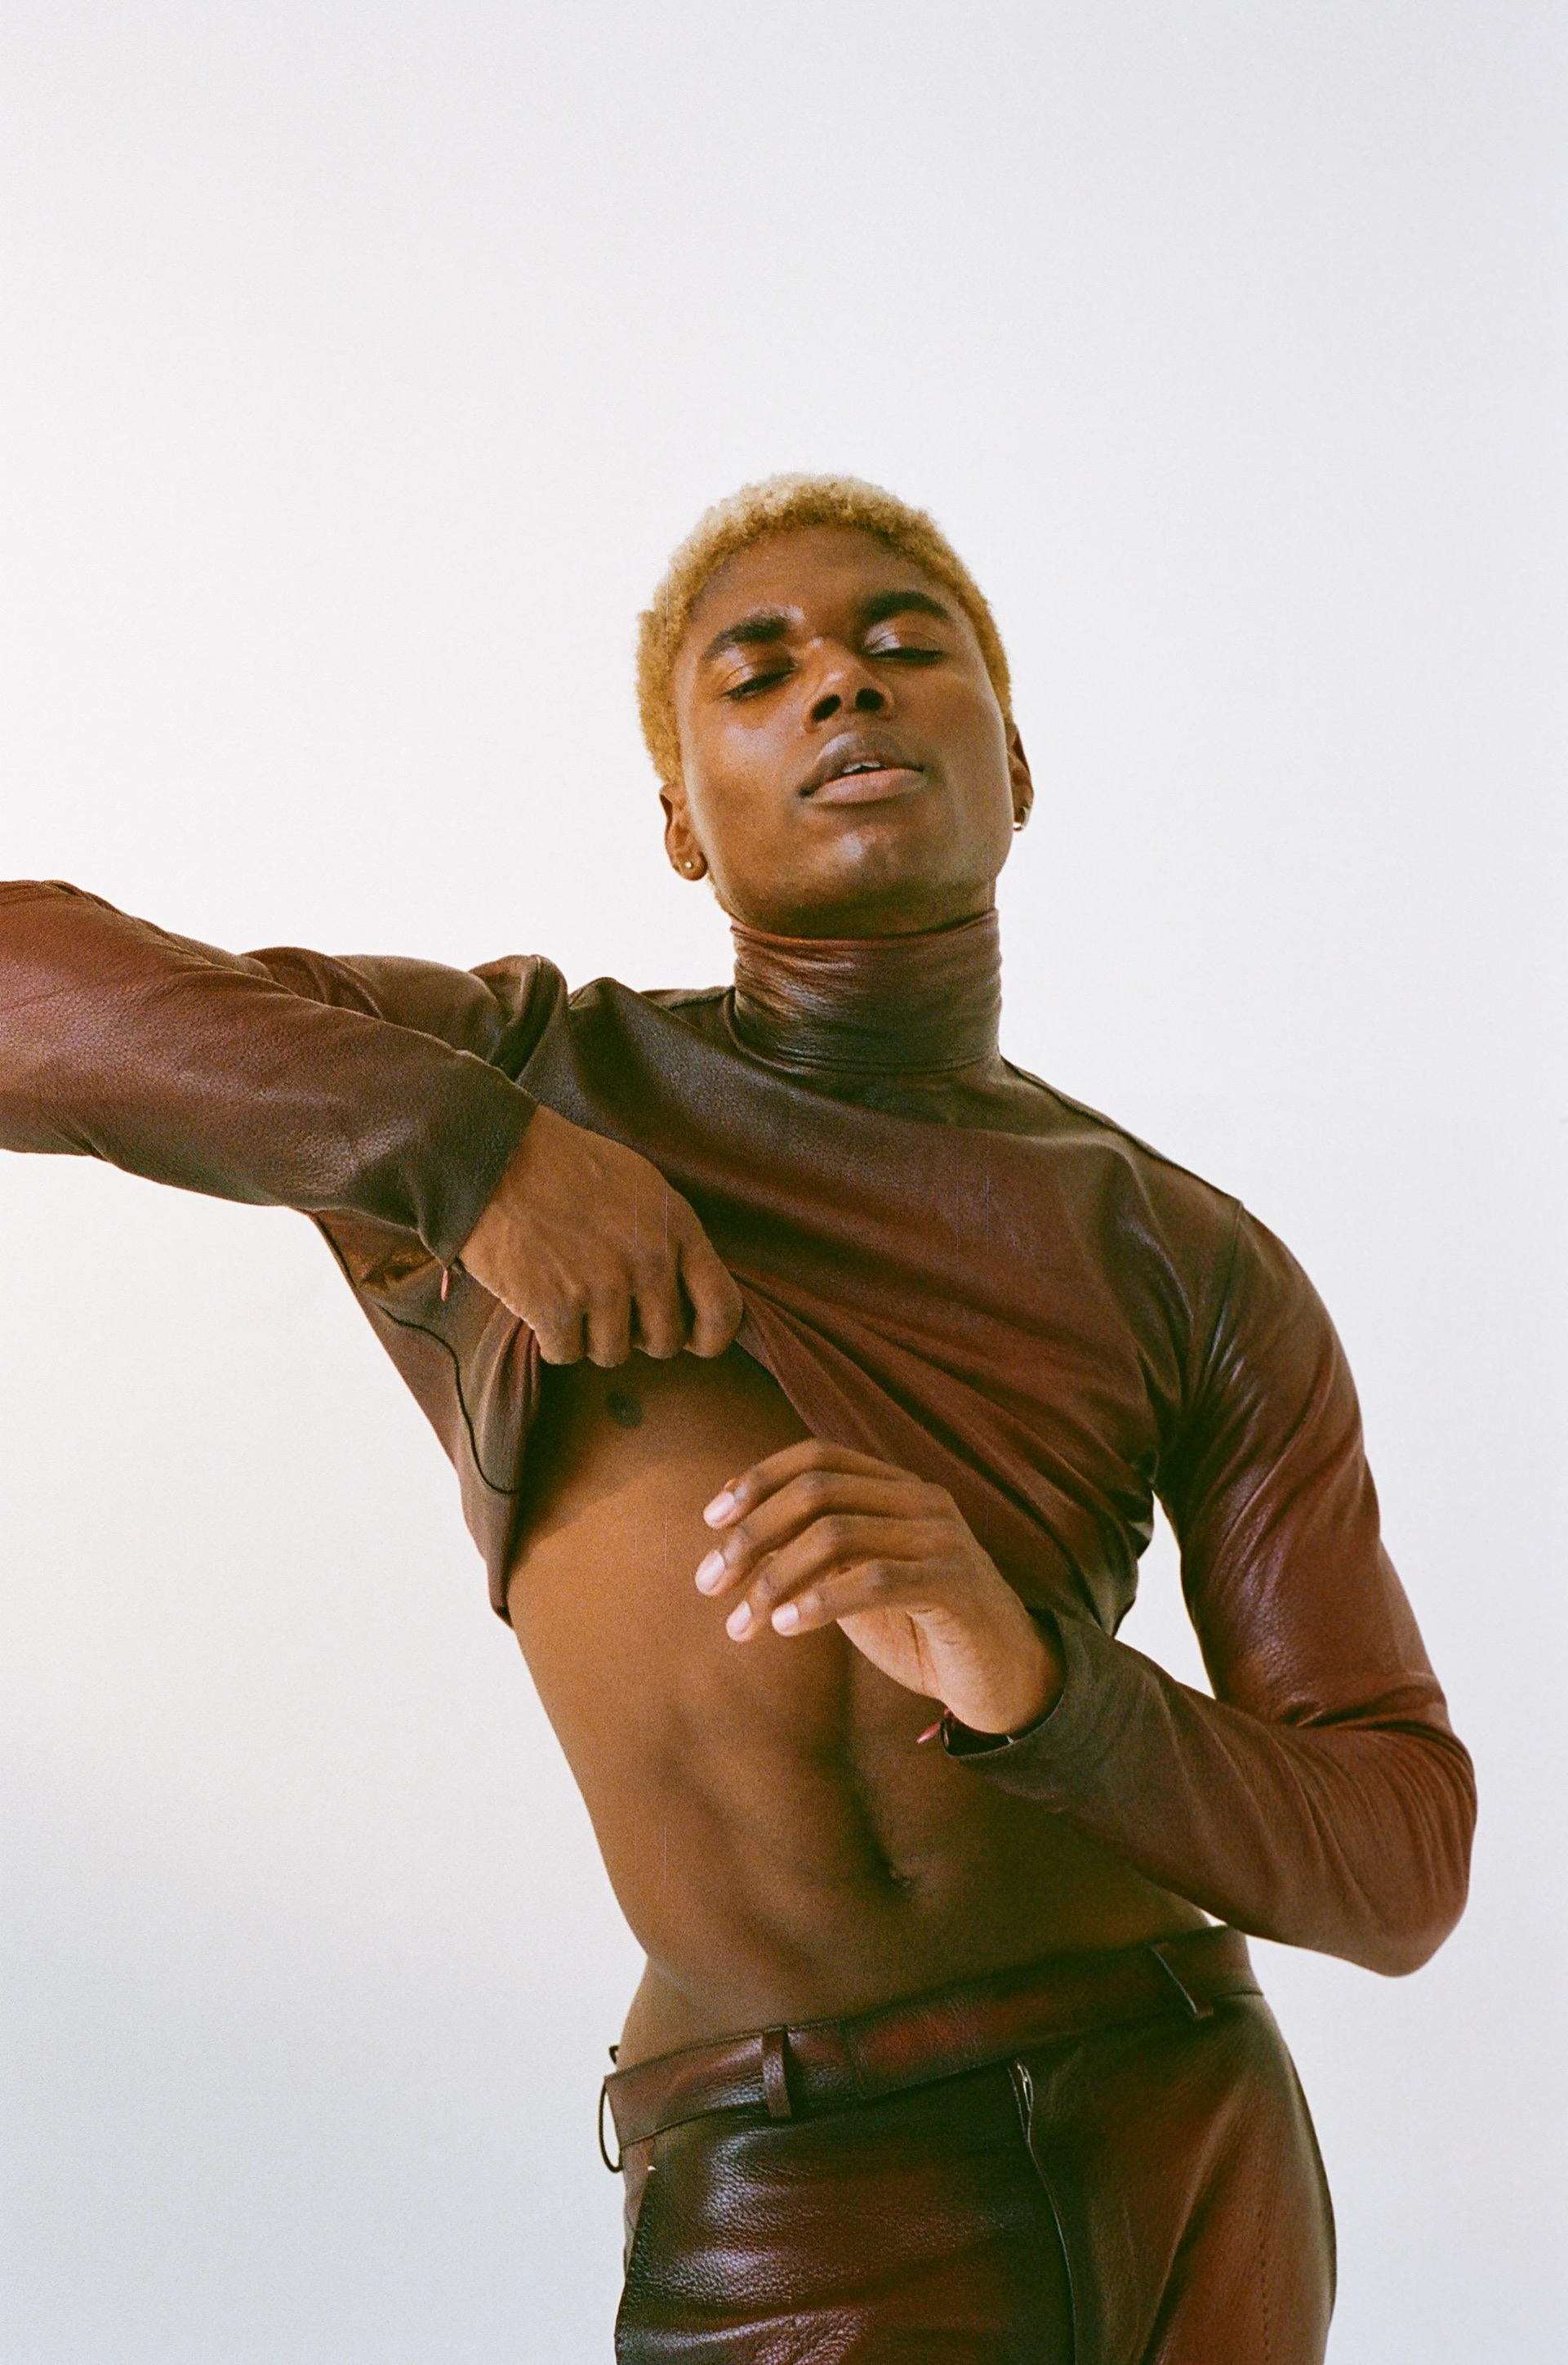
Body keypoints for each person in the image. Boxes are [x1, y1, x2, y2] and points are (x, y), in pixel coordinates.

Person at [0, 474, 1473, 2362]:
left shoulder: (1192, 1256)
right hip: (794, 2187)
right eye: (758, 672)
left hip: (1188, 2133)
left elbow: (1400, 1852)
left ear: (1018, 769)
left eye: (904, 644)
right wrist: (480, 1154)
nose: (844, 685)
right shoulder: (527, 1075)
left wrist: (1033, 1674)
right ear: (682, 823)